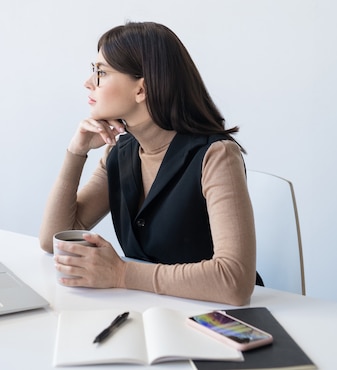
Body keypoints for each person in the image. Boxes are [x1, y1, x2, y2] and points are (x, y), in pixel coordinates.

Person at [39, 21, 257, 305]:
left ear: (141, 90)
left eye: (101, 73)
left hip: (212, 318)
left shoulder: (217, 156)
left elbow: (234, 281)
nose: (88, 82)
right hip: (147, 311)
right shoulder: (120, 153)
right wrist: (76, 152)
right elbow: (54, 240)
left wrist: (121, 274)